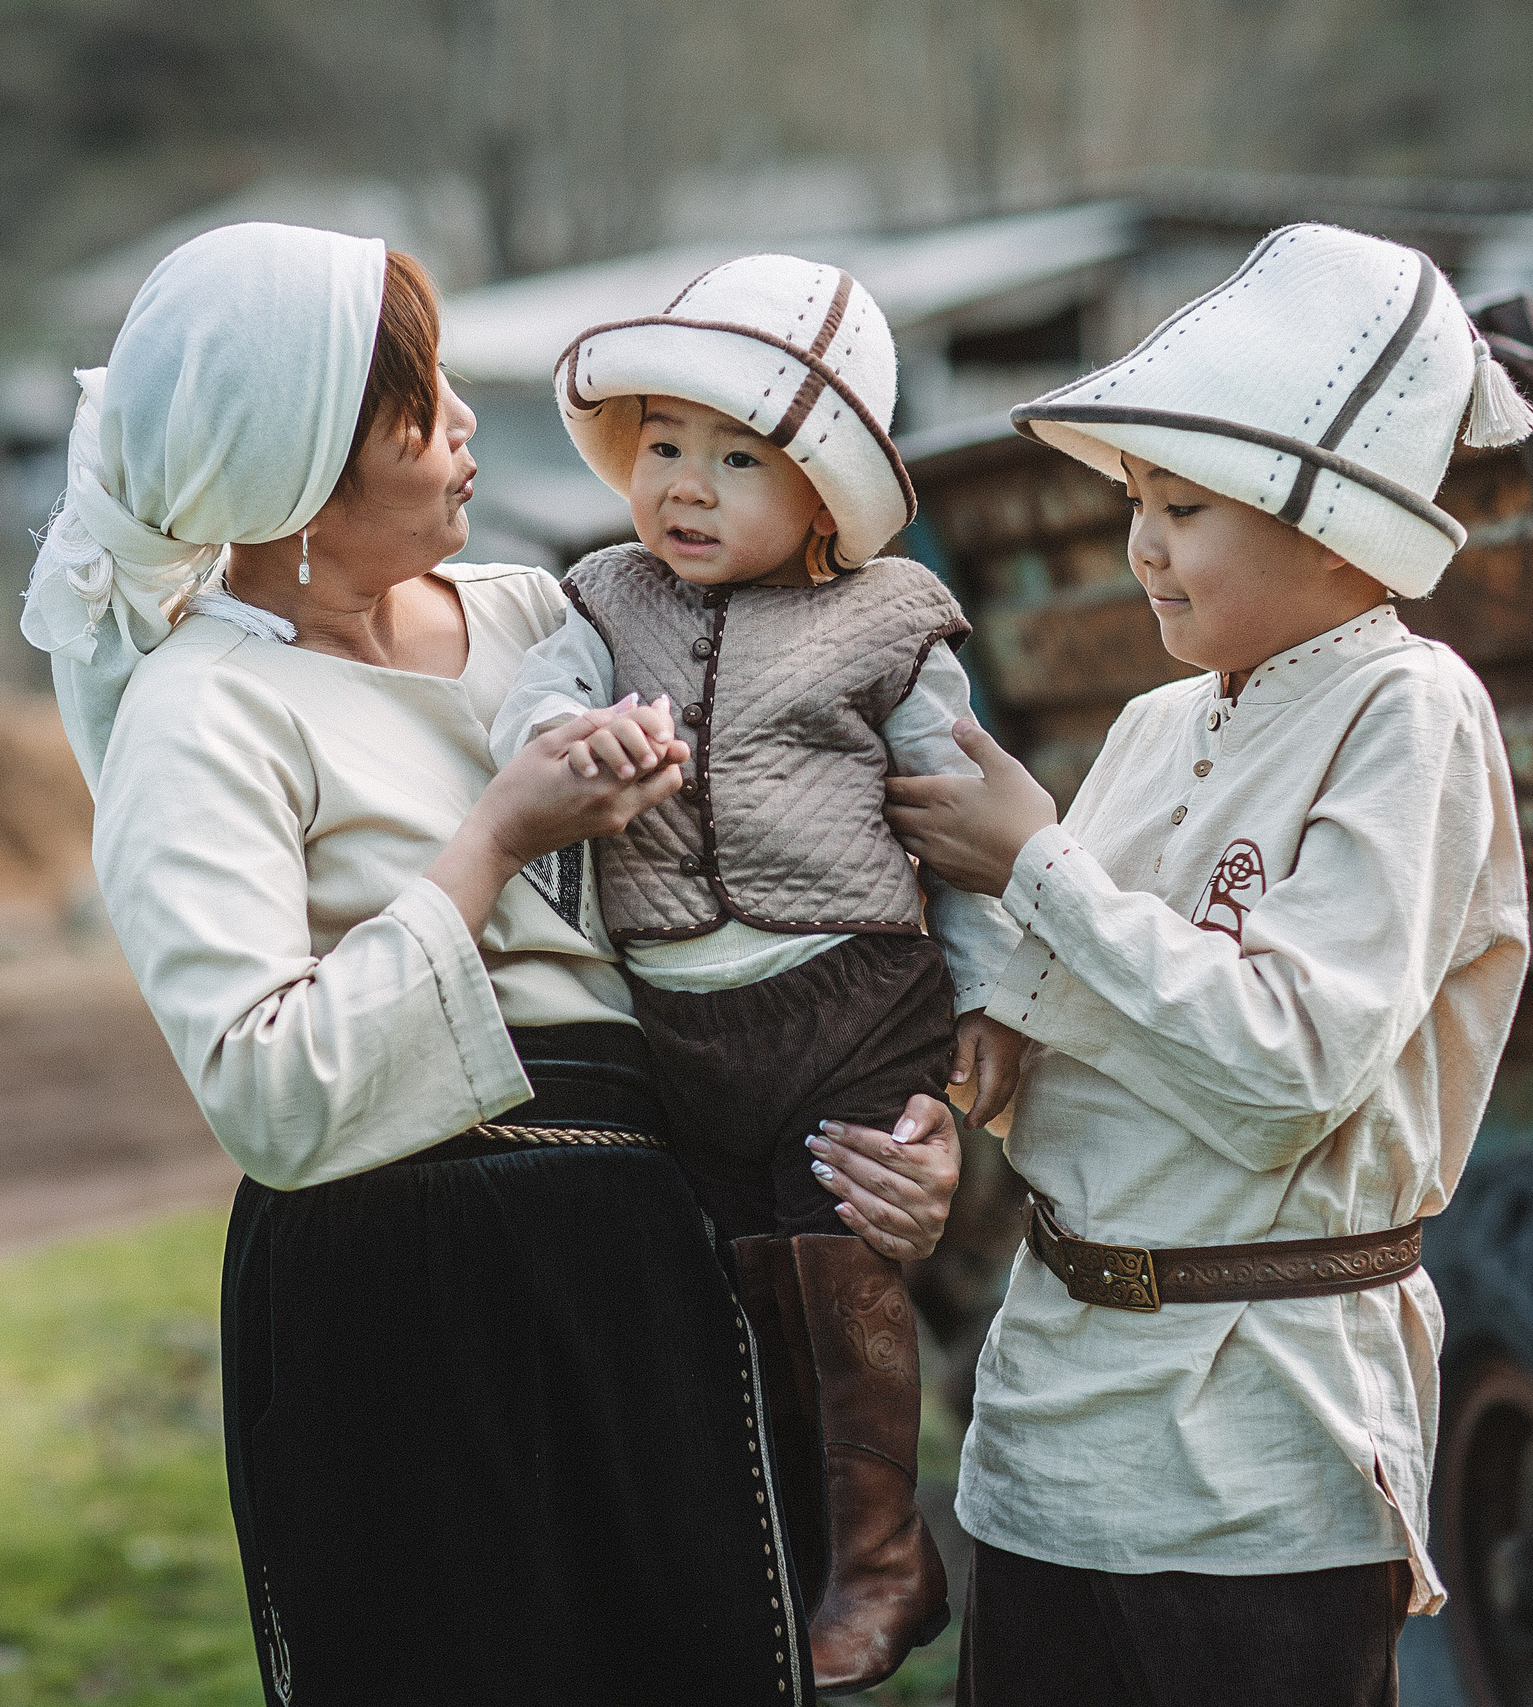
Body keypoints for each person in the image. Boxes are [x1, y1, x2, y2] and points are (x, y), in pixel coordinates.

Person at [18, 221, 963, 1707]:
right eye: (418, 410)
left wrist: (913, 1126)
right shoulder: (200, 713)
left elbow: (798, 878)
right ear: (307, 471)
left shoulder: (552, 616)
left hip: (652, 1260)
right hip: (407, 1304)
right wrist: (495, 839)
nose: (465, 427)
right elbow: (272, 1094)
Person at [881, 224, 1533, 1707]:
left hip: (1261, 1456)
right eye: (1138, 502)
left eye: (1186, 504)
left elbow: (1282, 1078)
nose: (1143, 546)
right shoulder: (1155, 726)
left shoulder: (1408, 712)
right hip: (1054, 1433)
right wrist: (976, 1051)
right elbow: (1059, 1020)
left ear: (1337, 527)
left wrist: (1031, 861)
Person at [487, 254, 1024, 1695]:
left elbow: (957, 830)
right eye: (663, 447)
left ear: (825, 500)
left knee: (837, 1250)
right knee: (734, 1274)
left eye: (739, 459)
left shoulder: (893, 625)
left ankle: (884, 1551)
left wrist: (984, 1011)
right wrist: (556, 746)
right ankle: (777, 1548)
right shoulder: (601, 599)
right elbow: (535, 702)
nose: (688, 486)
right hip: (685, 1014)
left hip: (854, 987)